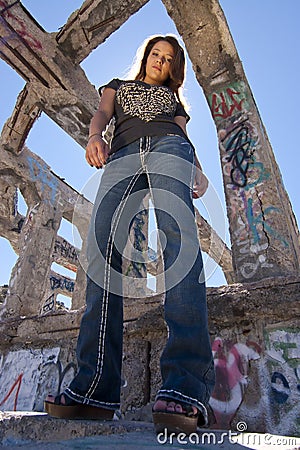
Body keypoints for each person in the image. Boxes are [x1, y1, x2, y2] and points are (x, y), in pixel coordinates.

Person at [44, 34, 215, 435]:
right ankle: (94, 388)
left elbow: (183, 136)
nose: (161, 61)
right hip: (121, 155)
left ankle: (186, 386)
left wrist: (198, 167)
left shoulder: (175, 102)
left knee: (179, 245)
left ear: (174, 69)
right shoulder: (117, 88)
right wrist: (93, 137)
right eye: (156, 54)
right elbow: (102, 115)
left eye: (169, 59)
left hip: (170, 149)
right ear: (146, 56)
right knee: (102, 251)